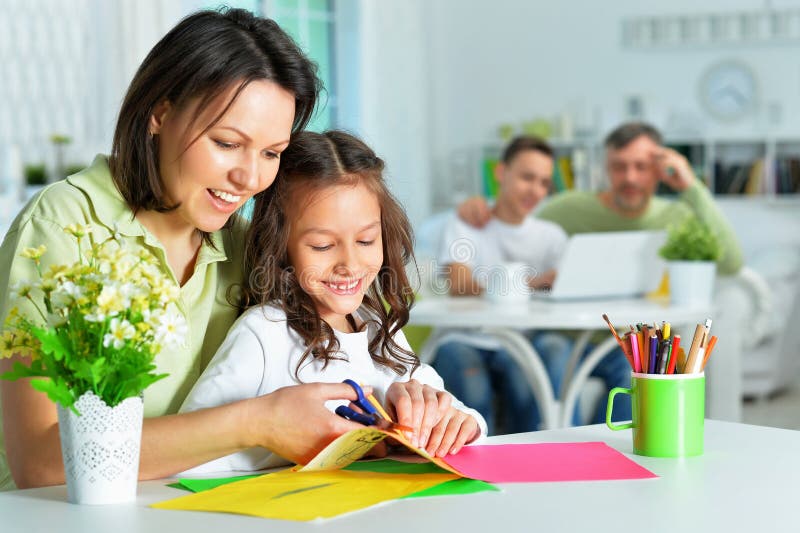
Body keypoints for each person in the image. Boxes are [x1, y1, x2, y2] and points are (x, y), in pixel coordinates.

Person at [0, 9, 364, 492]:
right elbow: (41, 464)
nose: (250, 178)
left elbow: (334, 356)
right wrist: (255, 422)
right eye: (227, 143)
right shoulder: (64, 227)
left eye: (271, 153)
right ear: (160, 112)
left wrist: (410, 396)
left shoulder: (241, 245)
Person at [179, 130, 485, 473]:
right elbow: (189, 454)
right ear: (280, 246)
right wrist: (281, 446)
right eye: (323, 246)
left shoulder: (376, 326)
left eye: (367, 241)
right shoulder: (264, 332)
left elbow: (463, 416)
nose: (350, 265)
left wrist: (458, 423)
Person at [456, 122, 744, 424]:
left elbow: (732, 263)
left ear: (659, 170)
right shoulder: (569, 209)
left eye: (640, 167)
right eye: (619, 167)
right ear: (606, 168)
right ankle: (565, 457)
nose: (630, 177)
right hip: (561, 336)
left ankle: (619, 460)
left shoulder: (676, 216)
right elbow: (517, 224)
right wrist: (479, 206)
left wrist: (690, 186)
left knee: (634, 366)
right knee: (552, 353)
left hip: (626, 342)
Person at [433, 136, 575, 435]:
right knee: (470, 382)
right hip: (464, 336)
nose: (535, 190)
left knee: (526, 381)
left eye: (543, 182)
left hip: (519, 341)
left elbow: (565, 286)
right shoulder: (466, 223)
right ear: (501, 173)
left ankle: (537, 460)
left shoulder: (552, 236)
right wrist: (534, 283)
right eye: (527, 177)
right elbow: (458, 282)